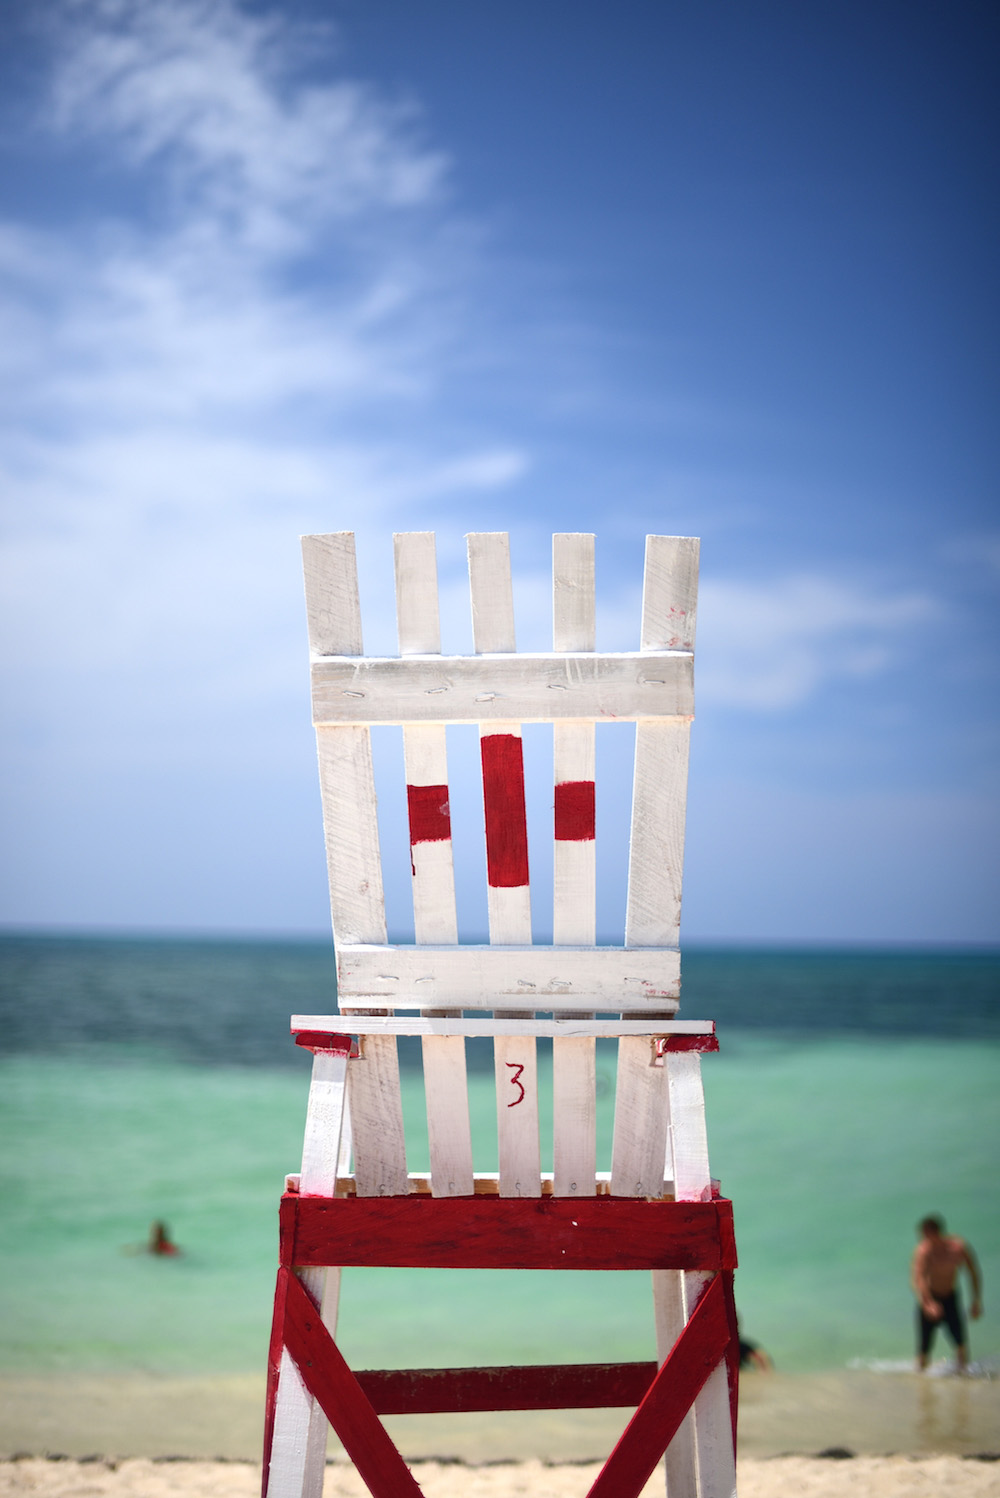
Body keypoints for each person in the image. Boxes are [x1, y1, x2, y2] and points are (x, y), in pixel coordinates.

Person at [911, 1214, 982, 1371]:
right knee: (924, 1347)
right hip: (930, 1298)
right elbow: (918, 1279)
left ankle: (963, 1377)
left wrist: (976, 1300)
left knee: (960, 1343)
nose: (923, 1239)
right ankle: (921, 1382)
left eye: (925, 1235)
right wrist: (927, 1304)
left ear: (935, 1232)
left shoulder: (957, 1248)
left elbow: (973, 1272)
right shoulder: (923, 1251)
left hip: (950, 1297)